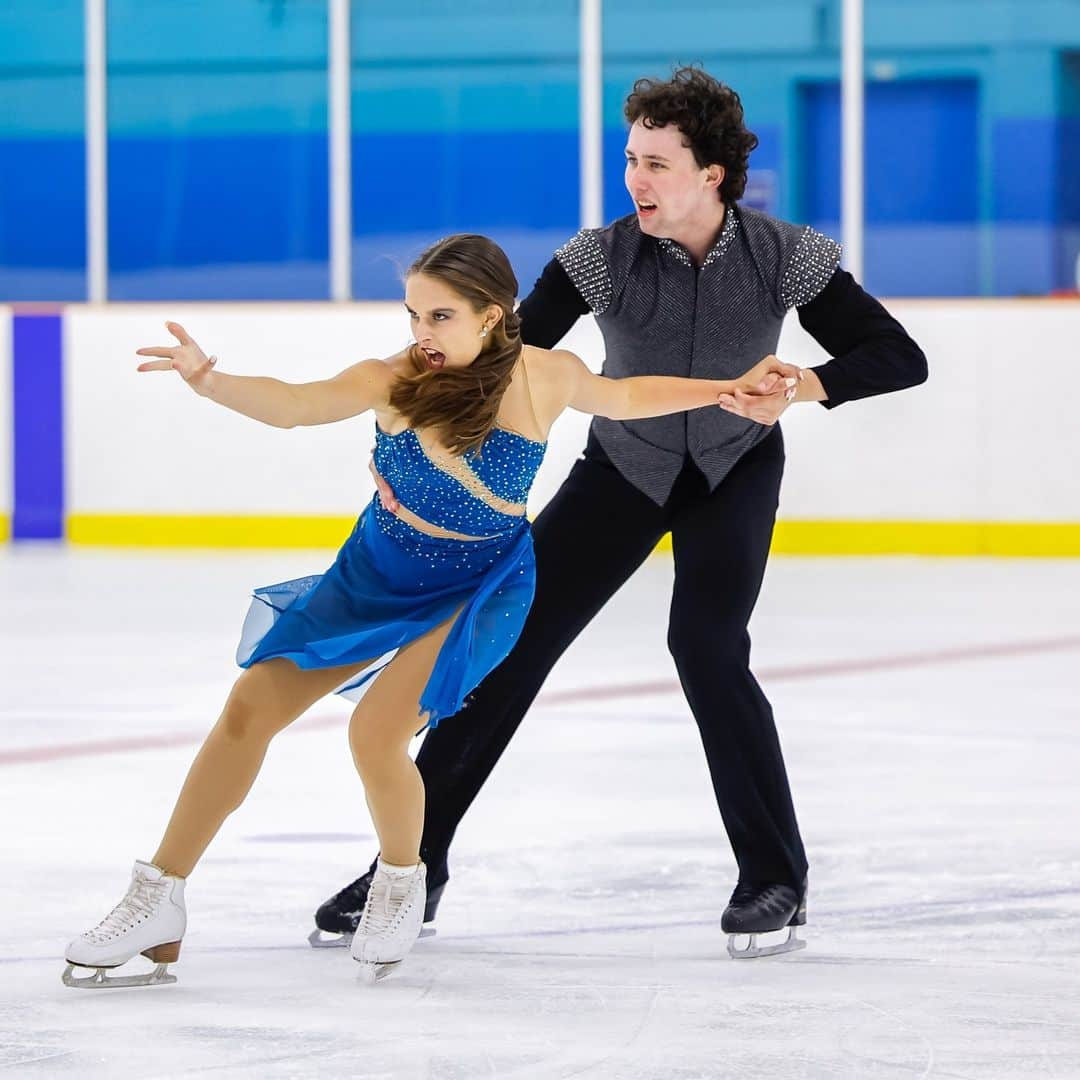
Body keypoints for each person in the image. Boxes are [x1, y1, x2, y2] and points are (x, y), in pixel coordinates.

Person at [62, 233, 799, 988]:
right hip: (375, 573)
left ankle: (401, 881)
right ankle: (160, 897)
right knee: (248, 709)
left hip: (475, 588)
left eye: (440, 316)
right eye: (414, 313)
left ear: (492, 315)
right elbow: (297, 405)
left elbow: (629, 395)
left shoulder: (546, 376)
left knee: (376, 731)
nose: (422, 333)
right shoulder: (393, 378)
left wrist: (727, 388)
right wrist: (211, 382)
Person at [315, 67, 929, 960]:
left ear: (711, 172)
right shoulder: (599, 257)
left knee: (709, 649)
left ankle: (775, 878)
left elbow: (898, 355)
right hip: (625, 469)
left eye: (656, 162)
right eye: (630, 159)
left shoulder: (784, 252)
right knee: (509, 647)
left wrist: (808, 383)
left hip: (732, 469)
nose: (636, 179)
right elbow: (504, 357)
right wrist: (412, 434)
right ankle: (413, 868)